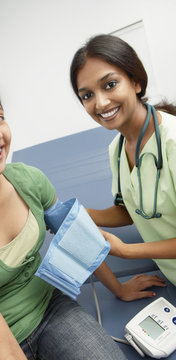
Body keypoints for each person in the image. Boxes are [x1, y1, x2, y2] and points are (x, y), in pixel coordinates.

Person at [0, 69, 132, 360]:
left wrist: (119, 288)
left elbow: (78, 237)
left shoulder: (29, 180)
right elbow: (3, 350)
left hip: (50, 307)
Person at [70, 34, 176, 292]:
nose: (101, 103)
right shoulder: (116, 149)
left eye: (110, 85)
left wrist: (127, 251)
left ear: (136, 82)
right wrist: (79, 214)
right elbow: (130, 209)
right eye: (87, 95)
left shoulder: (172, 143)